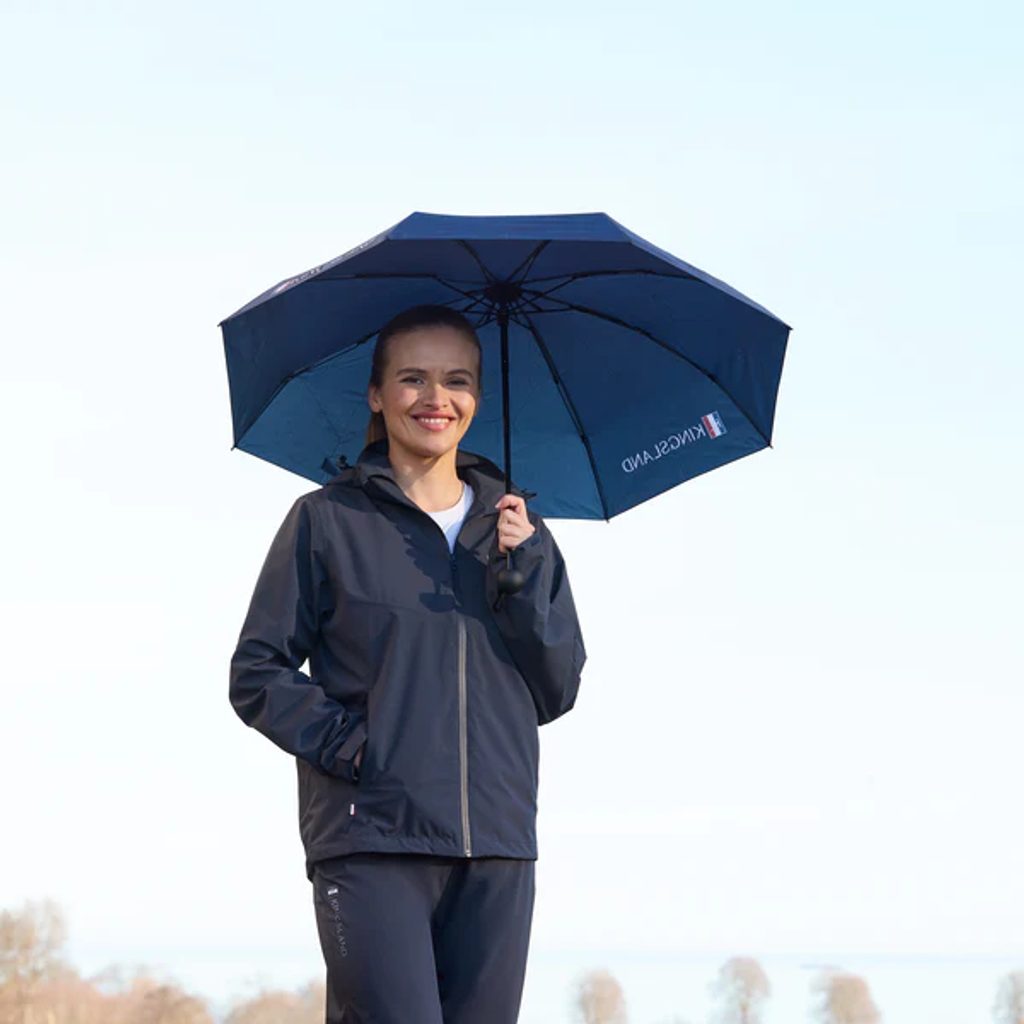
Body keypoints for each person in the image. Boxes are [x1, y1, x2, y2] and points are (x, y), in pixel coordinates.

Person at [229, 304, 587, 1024]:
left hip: (497, 841)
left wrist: (521, 580)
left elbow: (556, 690)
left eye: (457, 380)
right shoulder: (326, 520)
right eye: (413, 378)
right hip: (372, 836)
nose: (436, 398)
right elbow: (257, 672)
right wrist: (356, 746)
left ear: (477, 398)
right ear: (376, 394)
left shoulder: (520, 534)